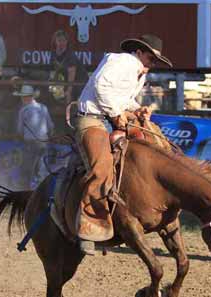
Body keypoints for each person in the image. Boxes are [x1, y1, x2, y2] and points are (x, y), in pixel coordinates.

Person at [75, 34, 172, 254]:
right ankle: (87, 226)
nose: (151, 64)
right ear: (138, 52)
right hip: (93, 119)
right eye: (150, 58)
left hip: (109, 119)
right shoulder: (123, 61)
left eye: (154, 61)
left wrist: (136, 108)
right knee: (101, 170)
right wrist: (117, 113)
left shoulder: (138, 73)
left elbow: (121, 97)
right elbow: (101, 87)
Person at [13, 84, 54, 188]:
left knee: (27, 170)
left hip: (31, 143)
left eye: (23, 96)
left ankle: (25, 190)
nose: (22, 99)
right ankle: (41, 191)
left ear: (26, 97)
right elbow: (51, 126)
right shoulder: (43, 108)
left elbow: (19, 130)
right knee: (42, 169)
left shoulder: (23, 111)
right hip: (43, 141)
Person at [49, 30, 86, 106]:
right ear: (55, 41)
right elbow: (57, 68)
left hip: (79, 81)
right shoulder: (54, 54)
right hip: (67, 80)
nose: (61, 43)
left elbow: (71, 74)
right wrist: (54, 81)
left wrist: (69, 90)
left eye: (63, 40)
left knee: (71, 98)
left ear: (67, 41)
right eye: (59, 40)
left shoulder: (70, 55)